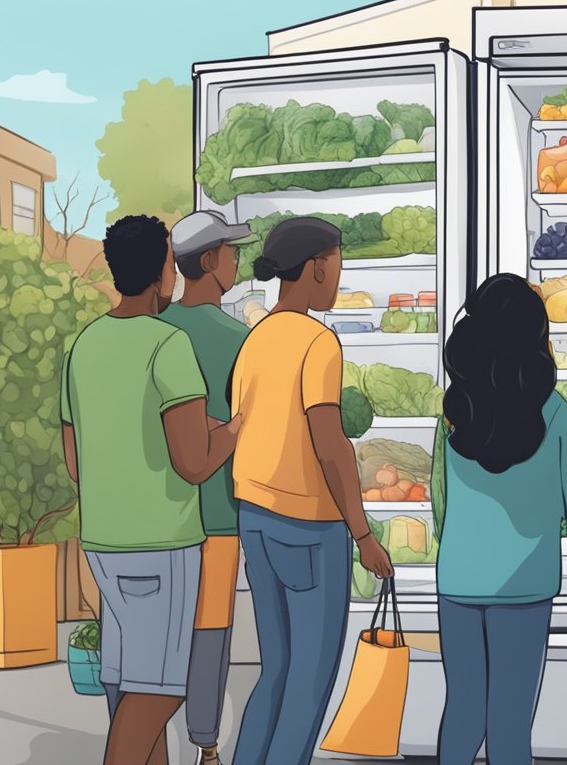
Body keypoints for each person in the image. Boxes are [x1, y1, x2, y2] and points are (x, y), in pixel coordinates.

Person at [60, 215, 241, 765]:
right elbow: (193, 464)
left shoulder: (84, 345)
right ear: (163, 273)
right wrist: (233, 431)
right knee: (157, 690)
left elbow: (75, 461)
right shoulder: (168, 344)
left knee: (129, 682)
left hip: (104, 544)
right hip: (161, 544)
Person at [228, 217, 393, 765]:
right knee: (311, 674)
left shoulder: (256, 340)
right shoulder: (318, 341)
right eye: (339, 264)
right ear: (319, 266)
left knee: (276, 668)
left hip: (254, 515)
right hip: (308, 526)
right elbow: (329, 442)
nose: (339, 276)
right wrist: (363, 533)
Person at [431, 273, 567, 765]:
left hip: (457, 579)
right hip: (525, 584)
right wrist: (552, 519)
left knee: (463, 710)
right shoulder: (557, 414)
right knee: (510, 721)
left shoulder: (453, 413)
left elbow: (439, 507)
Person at [160, 210, 259, 765]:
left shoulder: (159, 330)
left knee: (162, 630)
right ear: (208, 262)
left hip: (162, 508)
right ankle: (206, 743)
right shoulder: (239, 338)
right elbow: (253, 424)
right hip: (219, 508)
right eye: (230, 252)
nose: (236, 260)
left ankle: (150, 732)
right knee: (210, 629)